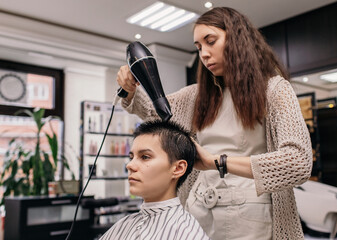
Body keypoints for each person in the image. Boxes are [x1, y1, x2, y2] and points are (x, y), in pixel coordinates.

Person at [116, 7, 312, 240]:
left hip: (251, 215)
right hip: (198, 210)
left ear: (237, 39)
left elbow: (298, 162)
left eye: (211, 42)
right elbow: (152, 110)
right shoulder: (197, 96)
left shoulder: (274, 90)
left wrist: (216, 163)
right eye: (199, 47)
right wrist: (129, 90)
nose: (204, 54)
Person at [99, 120, 210, 240]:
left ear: (178, 168)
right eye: (131, 157)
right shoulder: (124, 224)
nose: (130, 165)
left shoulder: (186, 232)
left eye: (145, 157)